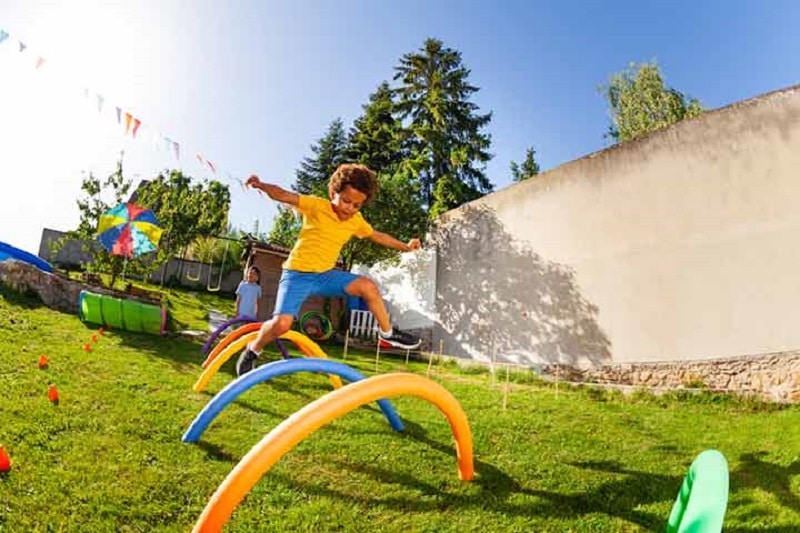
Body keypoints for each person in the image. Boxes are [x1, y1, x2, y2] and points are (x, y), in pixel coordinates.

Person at [236, 163, 421, 376]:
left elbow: (377, 235)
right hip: (297, 275)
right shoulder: (316, 205)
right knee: (282, 324)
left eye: (356, 205)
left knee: (368, 286)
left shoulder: (355, 220)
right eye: (346, 200)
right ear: (333, 193)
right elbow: (285, 195)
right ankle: (253, 349)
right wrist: (261, 185)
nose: (349, 208)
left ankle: (387, 334)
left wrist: (406, 247)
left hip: (325, 276)